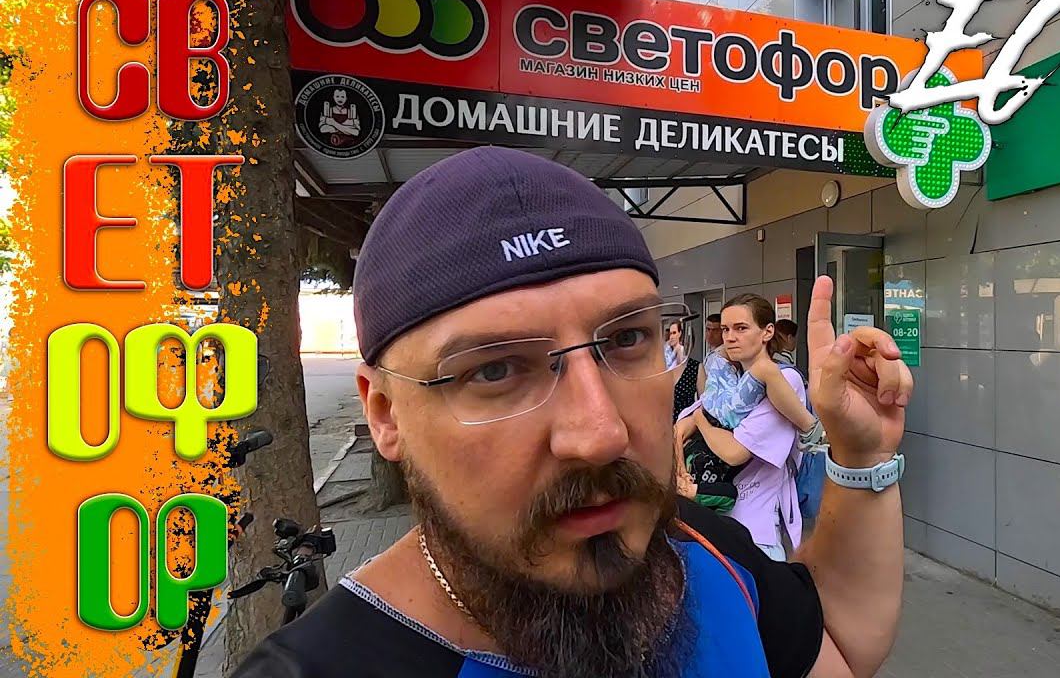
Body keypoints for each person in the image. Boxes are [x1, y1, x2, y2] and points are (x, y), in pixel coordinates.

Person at [233, 146, 913, 678]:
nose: (601, 433)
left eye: (626, 339)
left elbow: (840, 646)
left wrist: (862, 455)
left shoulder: (701, 551)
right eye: (495, 369)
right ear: (386, 415)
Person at [678, 306, 821, 516]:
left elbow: (734, 452)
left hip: (757, 513)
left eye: (741, 328)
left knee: (764, 370)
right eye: (725, 329)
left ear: (768, 331)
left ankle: (813, 430)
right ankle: (812, 430)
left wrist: (700, 421)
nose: (730, 337)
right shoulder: (727, 371)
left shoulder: (783, 377)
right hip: (719, 504)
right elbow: (680, 429)